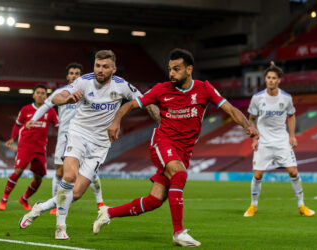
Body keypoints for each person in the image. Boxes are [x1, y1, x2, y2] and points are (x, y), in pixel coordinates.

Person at [93, 48, 259, 247]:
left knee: (155, 199)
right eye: (170, 69)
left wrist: (247, 126)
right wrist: (116, 122)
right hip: (163, 142)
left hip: (184, 151)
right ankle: (178, 233)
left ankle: (108, 212)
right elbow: (129, 105)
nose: (171, 73)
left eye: (176, 69)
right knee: (179, 175)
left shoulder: (204, 88)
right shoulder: (161, 89)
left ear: (189, 69)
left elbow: (230, 109)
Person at [18, 50, 160, 240]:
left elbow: (147, 102)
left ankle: (40, 208)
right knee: (68, 176)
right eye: (97, 66)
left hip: (101, 144)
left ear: (113, 69)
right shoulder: (83, 81)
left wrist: (163, 122)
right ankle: (60, 227)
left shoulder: (122, 86)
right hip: (78, 134)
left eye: (105, 67)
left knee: (75, 194)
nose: (100, 70)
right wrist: (67, 98)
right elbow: (56, 98)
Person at [243, 62, 315, 217]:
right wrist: (255, 138)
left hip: (281, 141)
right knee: (257, 175)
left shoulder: (286, 98)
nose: (270, 80)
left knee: (293, 172)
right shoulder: (257, 98)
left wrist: (291, 136)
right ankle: (253, 206)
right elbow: (251, 118)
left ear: (279, 80)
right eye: (268, 77)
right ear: (265, 79)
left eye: (273, 78)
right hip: (263, 141)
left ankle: (301, 206)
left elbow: (291, 116)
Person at [50, 63, 105, 215]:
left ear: (80, 76)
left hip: (82, 135)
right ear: (67, 76)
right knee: (60, 172)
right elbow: (48, 104)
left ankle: (100, 202)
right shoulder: (61, 92)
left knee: (89, 171)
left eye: (77, 73)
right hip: (63, 136)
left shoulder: (87, 92)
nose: (74, 75)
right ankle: (55, 202)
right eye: (71, 73)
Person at [0, 84, 58, 211]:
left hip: (40, 149)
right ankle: (4, 199)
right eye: (38, 93)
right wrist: (12, 138)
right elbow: (17, 124)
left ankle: (24, 198)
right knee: (18, 171)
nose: (40, 95)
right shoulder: (26, 109)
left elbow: (58, 127)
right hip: (25, 146)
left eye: (43, 93)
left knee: (39, 178)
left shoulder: (51, 111)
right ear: (34, 95)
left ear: (46, 96)